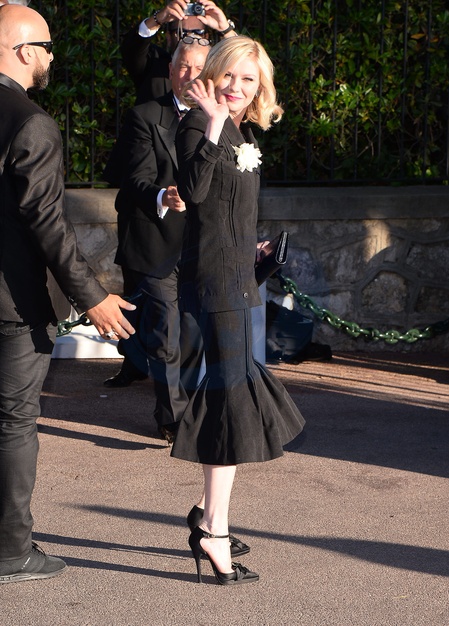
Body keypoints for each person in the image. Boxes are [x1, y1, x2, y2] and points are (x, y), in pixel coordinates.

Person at [0, 4, 136, 584]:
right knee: (13, 422)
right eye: (48, 47)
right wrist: (93, 296)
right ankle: (11, 551)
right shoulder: (31, 123)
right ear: (24, 51)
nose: (52, 57)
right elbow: (47, 222)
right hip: (12, 305)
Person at [170, 36, 306, 585]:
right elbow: (195, 192)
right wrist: (209, 124)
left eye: (248, 80)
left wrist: (253, 249)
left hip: (238, 278)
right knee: (231, 404)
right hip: (214, 286)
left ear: (259, 87)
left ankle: (209, 516)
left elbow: (228, 215)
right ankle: (213, 529)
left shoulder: (245, 134)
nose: (236, 87)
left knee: (234, 399)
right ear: (213, 74)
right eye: (229, 75)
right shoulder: (196, 126)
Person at [103, 41, 207, 445]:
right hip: (155, 239)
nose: (190, 75)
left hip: (200, 245)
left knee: (193, 333)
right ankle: (173, 419)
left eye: (198, 68)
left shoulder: (222, 119)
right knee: (166, 331)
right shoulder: (144, 115)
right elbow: (136, 179)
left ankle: (190, 407)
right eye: (183, 66)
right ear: (171, 70)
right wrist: (164, 195)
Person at [121, 0, 237, 104]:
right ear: (169, 37)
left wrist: (226, 30)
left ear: (206, 37)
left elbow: (241, 63)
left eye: (197, 32)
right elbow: (131, 49)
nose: (190, 37)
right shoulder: (152, 63)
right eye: (182, 32)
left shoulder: (216, 67)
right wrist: (157, 19)